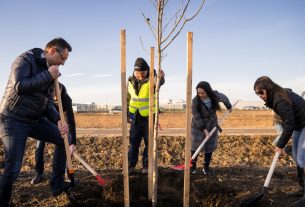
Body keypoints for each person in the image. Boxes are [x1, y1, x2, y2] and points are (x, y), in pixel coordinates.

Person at [0, 37, 72, 206]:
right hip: (13, 119)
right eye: (63, 58)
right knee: (13, 169)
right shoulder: (25, 59)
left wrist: (58, 120)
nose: (63, 63)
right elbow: (20, 86)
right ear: (53, 51)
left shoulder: (51, 72)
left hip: (35, 120)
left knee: (64, 138)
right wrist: (48, 75)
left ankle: (57, 185)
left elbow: (47, 103)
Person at [254, 76, 305, 198]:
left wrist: (280, 144)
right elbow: (287, 121)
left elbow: (289, 125)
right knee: (297, 158)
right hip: (299, 126)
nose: (260, 95)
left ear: (268, 88)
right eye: (257, 93)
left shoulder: (279, 99)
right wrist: (281, 143)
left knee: (302, 157)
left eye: (261, 92)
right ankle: (303, 189)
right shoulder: (273, 98)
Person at [31, 83, 76, 185]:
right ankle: (39, 173)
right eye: (54, 97)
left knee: (65, 146)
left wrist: (72, 143)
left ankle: (66, 173)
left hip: (60, 124)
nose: (55, 99)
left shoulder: (66, 100)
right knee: (39, 147)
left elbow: (70, 121)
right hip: (44, 121)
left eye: (57, 97)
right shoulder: (45, 95)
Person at [127, 57, 165, 174]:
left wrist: (161, 78)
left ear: (147, 71)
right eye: (138, 73)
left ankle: (146, 166)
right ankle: (131, 165)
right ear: (134, 72)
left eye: (143, 73)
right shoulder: (130, 81)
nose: (140, 75)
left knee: (149, 143)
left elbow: (159, 83)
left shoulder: (152, 79)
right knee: (133, 143)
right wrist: (127, 114)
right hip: (135, 117)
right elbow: (128, 98)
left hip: (149, 117)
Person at [190, 81, 232, 175]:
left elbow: (224, 98)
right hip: (198, 126)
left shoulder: (215, 95)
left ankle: (206, 167)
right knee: (195, 145)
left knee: (209, 146)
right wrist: (205, 131)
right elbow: (197, 117)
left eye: (203, 93)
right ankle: (192, 166)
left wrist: (229, 106)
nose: (200, 95)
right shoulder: (195, 101)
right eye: (198, 93)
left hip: (212, 124)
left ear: (208, 91)